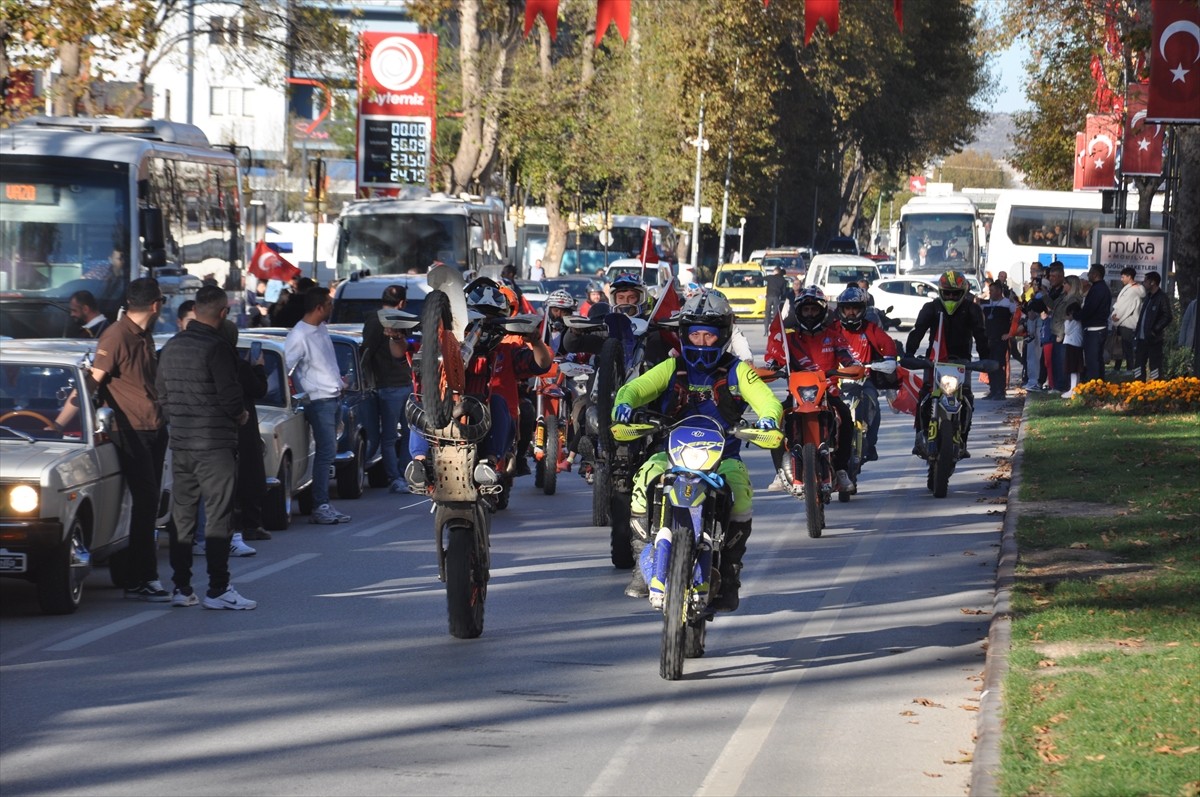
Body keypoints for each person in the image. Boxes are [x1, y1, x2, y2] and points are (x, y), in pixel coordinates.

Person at [613, 290, 783, 611]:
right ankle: (642, 560)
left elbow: (767, 401)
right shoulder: (671, 367)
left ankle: (730, 570)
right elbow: (634, 388)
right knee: (642, 480)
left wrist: (768, 418)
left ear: (723, 336)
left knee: (743, 495)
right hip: (672, 456)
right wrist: (623, 404)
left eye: (710, 335)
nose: (702, 342)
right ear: (684, 334)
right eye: (696, 334)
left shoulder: (738, 370)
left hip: (723, 460)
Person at [157, 285, 256, 609]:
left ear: (195, 310)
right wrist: (240, 416)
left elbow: (162, 395)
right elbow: (231, 396)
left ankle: (182, 588)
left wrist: (180, 420)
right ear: (223, 313)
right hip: (214, 445)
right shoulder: (218, 347)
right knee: (218, 517)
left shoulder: (171, 346)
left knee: (183, 518)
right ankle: (218, 589)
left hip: (183, 443)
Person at [405, 282, 552, 490]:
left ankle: (489, 463)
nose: (482, 324)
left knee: (500, 401)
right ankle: (418, 463)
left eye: (492, 318)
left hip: (489, 420)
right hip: (449, 414)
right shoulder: (449, 346)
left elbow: (541, 364)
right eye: (477, 316)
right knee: (422, 400)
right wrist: (397, 337)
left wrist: (535, 341)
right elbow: (407, 351)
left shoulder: (507, 349)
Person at [89, 278, 171, 601]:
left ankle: (134, 575)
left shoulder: (144, 335)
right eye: (162, 301)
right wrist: (65, 418)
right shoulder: (116, 335)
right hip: (130, 431)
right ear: (155, 305)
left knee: (147, 504)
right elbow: (94, 381)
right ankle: (144, 577)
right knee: (147, 501)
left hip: (153, 427)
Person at [765, 286, 859, 493]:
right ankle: (781, 471)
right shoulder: (789, 339)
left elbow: (848, 357)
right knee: (774, 419)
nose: (809, 314)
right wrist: (769, 369)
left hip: (827, 395)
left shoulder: (833, 335)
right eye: (806, 310)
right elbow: (774, 361)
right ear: (798, 312)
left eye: (814, 310)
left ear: (822, 311)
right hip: (797, 396)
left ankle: (842, 470)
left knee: (845, 416)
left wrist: (853, 367)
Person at [904, 270, 989, 459]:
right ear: (941, 292)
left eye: (955, 293)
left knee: (966, 397)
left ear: (963, 292)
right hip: (934, 361)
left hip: (961, 362)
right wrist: (909, 354)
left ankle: (963, 440)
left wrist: (986, 359)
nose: (951, 296)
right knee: (925, 395)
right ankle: (920, 435)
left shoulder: (972, 309)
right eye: (947, 293)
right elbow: (917, 331)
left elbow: (981, 336)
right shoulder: (930, 308)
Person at [285, 287, 352, 525]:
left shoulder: (321, 328)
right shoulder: (299, 335)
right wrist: (301, 392)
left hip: (333, 396)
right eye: (329, 304)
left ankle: (322, 503)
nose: (332, 308)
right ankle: (320, 505)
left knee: (328, 452)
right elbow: (287, 369)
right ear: (318, 308)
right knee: (325, 453)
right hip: (319, 400)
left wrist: (338, 380)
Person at [829, 286, 897, 463]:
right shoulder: (832, 329)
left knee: (873, 401)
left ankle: (870, 443)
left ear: (862, 309)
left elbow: (888, 344)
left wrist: (889, 360)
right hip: (836, 380)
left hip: (863, 379)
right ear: (841, 310)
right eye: (847, 308)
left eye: (855, 308)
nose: (851, 312)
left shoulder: (871, 329)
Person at [221, 320, 270, 546]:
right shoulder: (238, 365)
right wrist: (258, 367)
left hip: (219, 428)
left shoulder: (222, 362)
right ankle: (250, 524)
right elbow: (259, 389)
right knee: (249, 474)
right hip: (242, 424)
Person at [362, 284, 414, 493]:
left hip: (399, 385)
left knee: (402, 434)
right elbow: (366, 353)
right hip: (389, 386)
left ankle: (403, 476)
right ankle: (397, 477)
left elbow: (365, 352)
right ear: (401, 302)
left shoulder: (378, 320)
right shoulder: (383, 321)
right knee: (395, 435)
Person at [1133, 271, 1172, 382]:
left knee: (1155, 366)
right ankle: (1138, 386)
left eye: (1146, 280)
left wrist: (1155, 330)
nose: (1143, 283)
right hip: (1141, 338)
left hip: (1153, 339)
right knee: (1138, 365)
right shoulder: (1148, 297)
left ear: (1153, 282)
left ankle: (1156, 389)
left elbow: (1167, 316)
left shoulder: (1161, 297)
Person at [1076, 264, 1112, 382]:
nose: (1088, 275)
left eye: (1090, 273)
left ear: (1096, 274)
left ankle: (1094, 385)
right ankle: (1098, 384)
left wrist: (1076, 315)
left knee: (1093, 360)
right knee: (1096, 359)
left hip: (1095, 329)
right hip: (1097, 328)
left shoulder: (1098, 289)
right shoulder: (1100, 288)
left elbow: (1090, 308)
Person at [979, 281, 1016, 399]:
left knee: (999, 365)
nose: (990, 293)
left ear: (999, 291)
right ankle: (993, 389)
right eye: (989, 291)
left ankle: (1001, 390)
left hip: (1001, 339)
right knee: (989, 365)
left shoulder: (1008, 304)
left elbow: (1017, 318)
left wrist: (1010, 334)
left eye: (992, 291)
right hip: (989, 339)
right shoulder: (986, 304)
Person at [1110, 267, 1145, 372]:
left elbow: (1124, 306)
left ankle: (1130, 368)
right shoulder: (1133, 289)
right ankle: (1118, 367)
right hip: (1126, 321)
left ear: (1129, 277)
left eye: (1123, 277)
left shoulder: (1132, 291)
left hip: (1127, 321)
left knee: (1126, 346)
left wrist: (1116, 316)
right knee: (1121, 345)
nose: (1121, 279)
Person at [1061, 302, 1083, 398]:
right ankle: (1074, 388)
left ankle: (1073, 389)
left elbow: (1067, 331)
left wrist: (1066, 322)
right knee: (1074, 369)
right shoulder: (1078, 321)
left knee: (1073, 368)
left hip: (1073, 345)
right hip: (1075, 345)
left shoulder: (1074, 322)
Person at [764, 265, 789, 333]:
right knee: (775, 314)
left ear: (775, 271)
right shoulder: (783, 280)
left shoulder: (770, 277)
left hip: (769, 297)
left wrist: (751, 277)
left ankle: (766, 329)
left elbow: (760, 278)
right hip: (776, 298)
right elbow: (784, 292)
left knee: (767, 313)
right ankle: (774, 329)